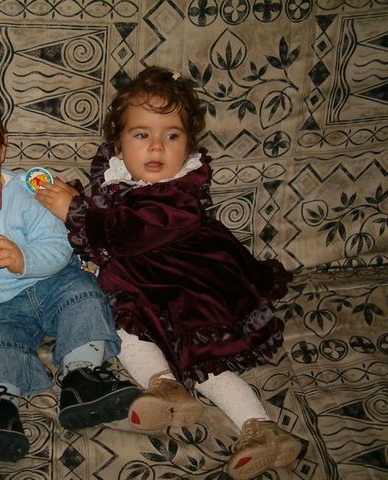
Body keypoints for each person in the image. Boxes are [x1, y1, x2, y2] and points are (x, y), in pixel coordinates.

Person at [35, 66, 301, 479]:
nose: (157, 146)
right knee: (121, 330)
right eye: (142, 135)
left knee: (204, 361)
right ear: (119, 145)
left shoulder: (181, 194)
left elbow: (127, 232)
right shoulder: (117, 179)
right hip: (140, 288)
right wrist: (66, 201)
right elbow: (105, 222)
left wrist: (75, 210)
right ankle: (165, 386)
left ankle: (260, 426)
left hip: (190, 286)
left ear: (188, 145)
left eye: (172, 136)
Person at [0, 86, 141, 462]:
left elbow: (59, 244)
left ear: (2, 147)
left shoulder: (26, 190)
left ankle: (82, 376)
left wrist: (25, 260)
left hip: (51, 282)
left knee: (84, 294)